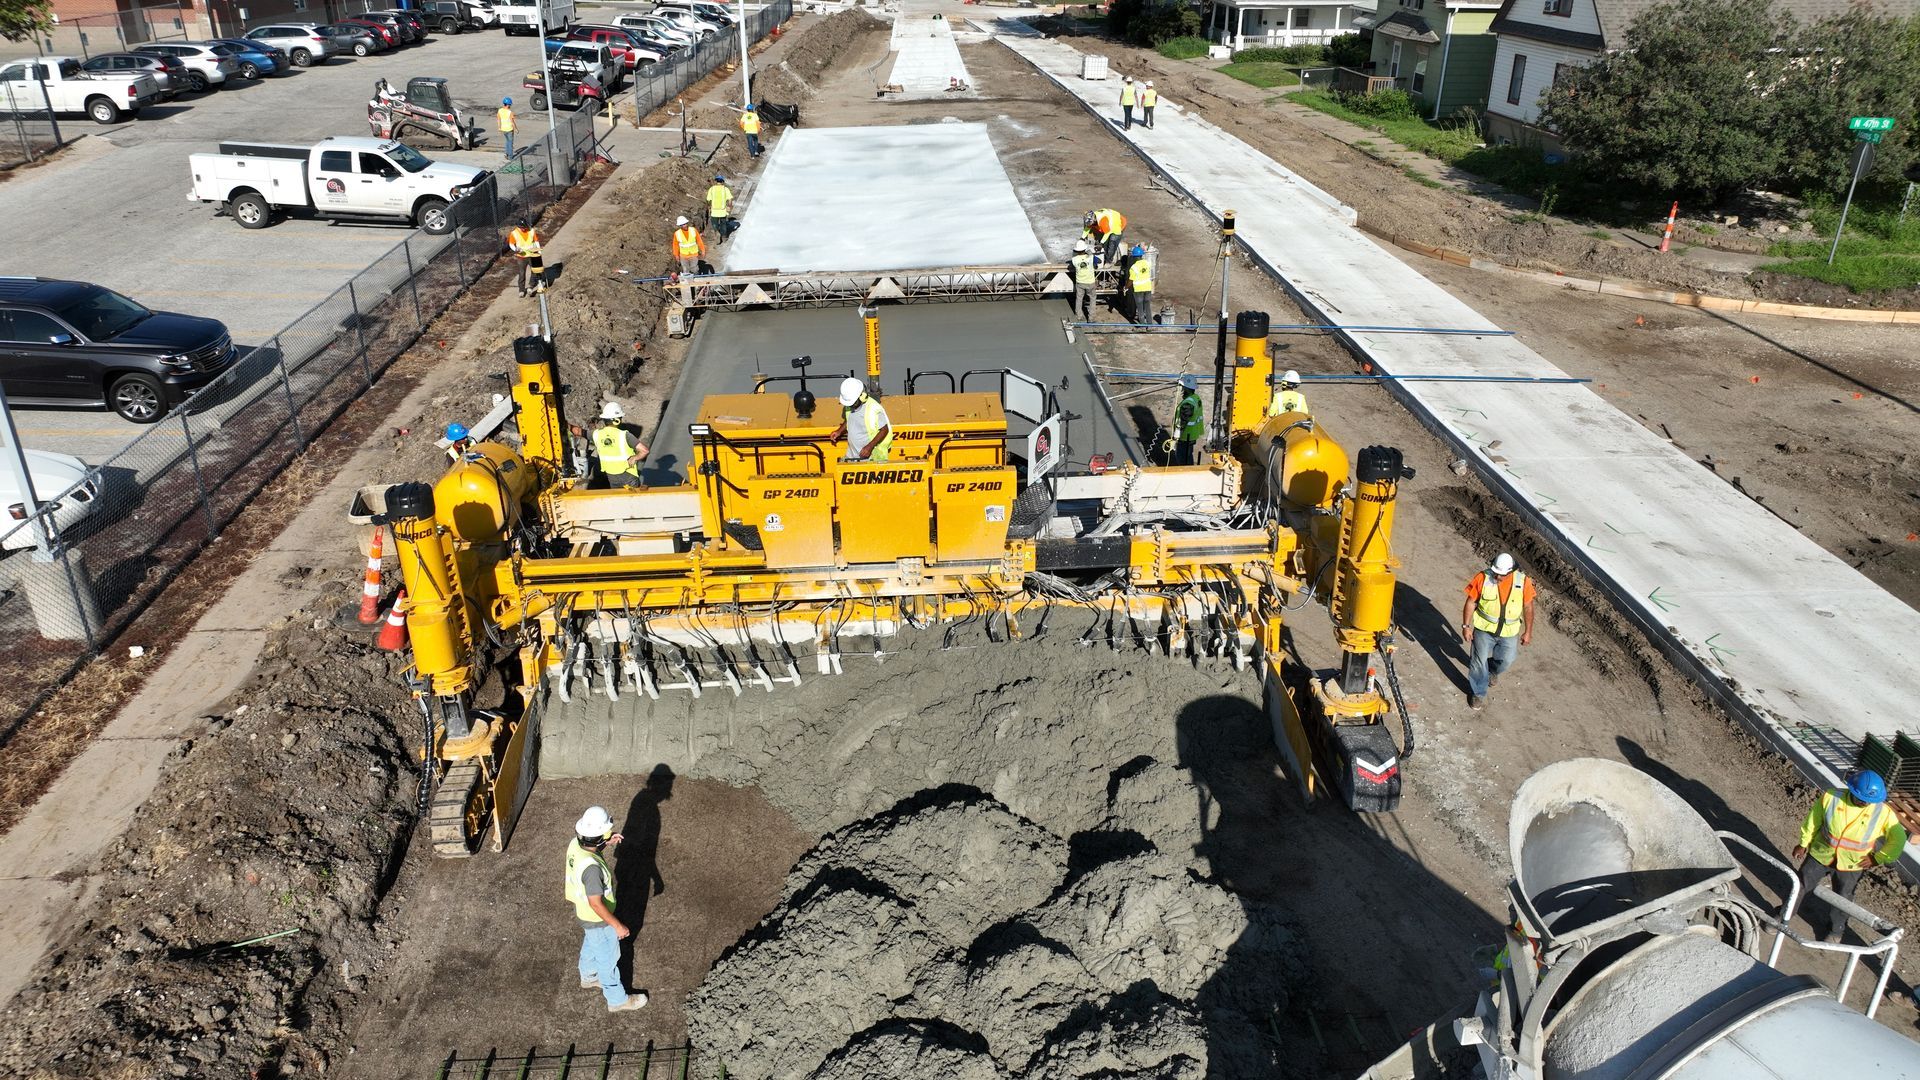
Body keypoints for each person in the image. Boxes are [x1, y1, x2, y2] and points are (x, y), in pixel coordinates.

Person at [1792, 770, 1907, 943]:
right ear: (1852, 791)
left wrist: (1878, 858)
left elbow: (1898, 839)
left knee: (1844, 898)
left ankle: (1835, 930)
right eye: (1862, 799)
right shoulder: (1832, 797)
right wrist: (1803, 843)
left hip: (1852, 864)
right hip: (1821, 854)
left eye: (1870, 800)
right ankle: (1784, 914)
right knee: (1800, 885)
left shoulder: (1883, 813)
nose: (1866, 803)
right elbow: (1813, 820)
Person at [565, 806, 649, 1013]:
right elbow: (596, 903)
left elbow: (591, 847)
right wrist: (617, 925)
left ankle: (589, 977)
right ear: (598, 837)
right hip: (597, 918)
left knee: (592, 943)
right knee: (608, 958)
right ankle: (617, 999)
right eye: (605, 834)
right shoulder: (592, 870)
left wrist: (605, 842)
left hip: (584, 915)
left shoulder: (575, 844)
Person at [1459, 552, 1535, 711]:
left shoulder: (1523, 582)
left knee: (1507, 659)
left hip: (1509, 633)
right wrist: (1466, 626)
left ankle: (1492, 670)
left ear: (1511, 572)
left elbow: (1528, 607)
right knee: (1478, 663)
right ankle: (1478, 693)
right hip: (1484, 630)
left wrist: (1528, 631)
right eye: (1496, 573)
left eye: (1502, 575)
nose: (1498, 577)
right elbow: (1471, 602)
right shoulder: (1483, 578)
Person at [830, 377, 893, 462]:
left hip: (870, 457)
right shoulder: (850, 406)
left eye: (853, 403)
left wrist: (869, 447)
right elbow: (850, 419)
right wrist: (839, 431)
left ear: (862, 396)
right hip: (852, 455)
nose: (851, 406)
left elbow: (884, 430)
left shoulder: (873, 408)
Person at [593, 401, 646, 487]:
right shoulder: (624, 435)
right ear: (617, 420)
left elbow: (579, 432)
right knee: (633, 498)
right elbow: (644, 451)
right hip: (629, 476)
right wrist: (634, 458)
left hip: (611, 477)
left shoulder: (596, 434)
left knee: (617, 498)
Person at [506, 218, 544, 297]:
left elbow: (536, 241)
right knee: (522, 273)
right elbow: (511, 244)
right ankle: (521, 290)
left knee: (534, 271)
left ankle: (531, 286)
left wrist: (539, 251)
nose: (523, 229)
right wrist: (516, 249)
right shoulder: (514, 233)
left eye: (524, 227)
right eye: (521, 227)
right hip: (521, 256)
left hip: (532, 254)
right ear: (518, 226)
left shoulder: (531, 231)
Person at [1172, 374, 1204, 466]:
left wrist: (1176, 435)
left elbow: (1183, 421)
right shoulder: (1195, 398)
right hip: (1192, 434)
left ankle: (1185, 475)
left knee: (1182, 459)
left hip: (1185, 436)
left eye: (1182, 386)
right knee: (1188, 456)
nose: (1181, 388)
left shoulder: (1188, 403)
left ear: (1186, 388)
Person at [1069, 239, 1096, 321]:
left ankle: (1079, 315)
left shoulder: (1074, 260)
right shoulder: (1091, 258)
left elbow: (1073, 261)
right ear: (1084, 249)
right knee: (1092, 299)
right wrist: (1090, 253)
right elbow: (1098, 261)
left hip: (1080, 282)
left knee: (1079, 298)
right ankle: (1091, 318)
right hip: (1090, 282)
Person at [1126, 244, 1154, 325]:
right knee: (1147, 307)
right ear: (1141, 255)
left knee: (1140, 308)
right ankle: (1150, 324)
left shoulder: (1134, 267)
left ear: (1134, 257)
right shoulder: (1147, 263)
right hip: (1148, 288)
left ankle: (1142, 325)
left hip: (1138, 290)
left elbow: (1131, 280)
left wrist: (1126, 287)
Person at [705, 175, 736, 241]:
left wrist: (709, 207)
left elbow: (708, 200)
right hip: (723, 211)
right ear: (722, 181)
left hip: (714, 212)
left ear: (716, 181)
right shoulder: (725, 189)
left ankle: (716, 233)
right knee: (723, 224)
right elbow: (730, 199)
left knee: (715, 224)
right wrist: (729, 207)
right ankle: (724, 236)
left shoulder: (712, 189)